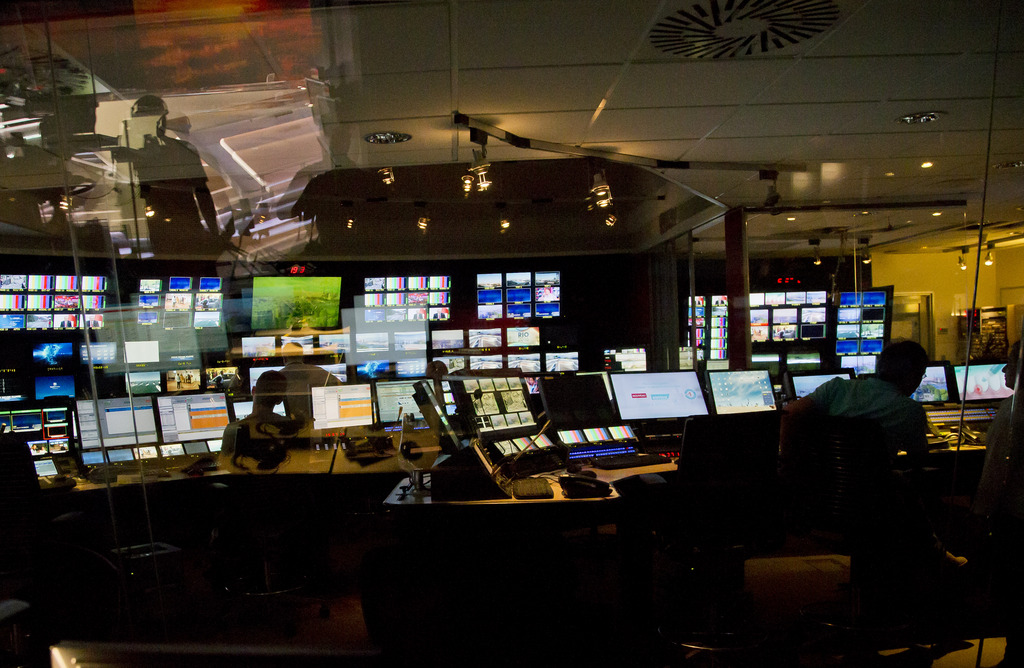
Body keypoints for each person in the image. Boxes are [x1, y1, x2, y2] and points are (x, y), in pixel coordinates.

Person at [779, 339, 965, 570]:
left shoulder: (836, 388)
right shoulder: (909, 410)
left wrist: (787, 461)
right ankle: (933, 554)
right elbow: (919, 460)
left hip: (823, 499)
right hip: (875, 509)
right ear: (913, 375)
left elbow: (788, 414)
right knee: (909, 484)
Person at [972, 340, 1023, 667]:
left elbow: (995, 475)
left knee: (1012, 594)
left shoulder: (1014, 411)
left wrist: (979, 518)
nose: (1004, 369)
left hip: (1016, 519)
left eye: (1010, 363)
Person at [219, 370, 301, 473]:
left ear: (253, 391)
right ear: (280, 400)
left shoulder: (233, 429)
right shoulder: (290, 428)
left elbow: (225, 465)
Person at [279, 342, 342, 425]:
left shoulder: (278, 376)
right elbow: (340, 388)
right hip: (319, 425)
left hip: (292, 427)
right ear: (302, 356)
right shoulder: (320, 372)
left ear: (284, 358)